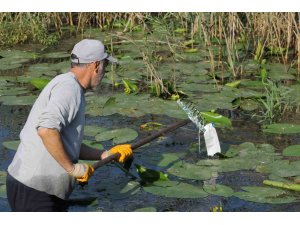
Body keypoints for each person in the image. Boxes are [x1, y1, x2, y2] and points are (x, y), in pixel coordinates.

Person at [6, 39, 133, 212]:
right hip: (35, 190)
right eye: (105, 66)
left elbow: (65, 143)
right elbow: (47, 130)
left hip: (32, 187)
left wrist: (105, 154)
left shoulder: (67, 84)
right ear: (96, 65)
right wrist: (71, 168)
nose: (105, 72)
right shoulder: (69, 89)